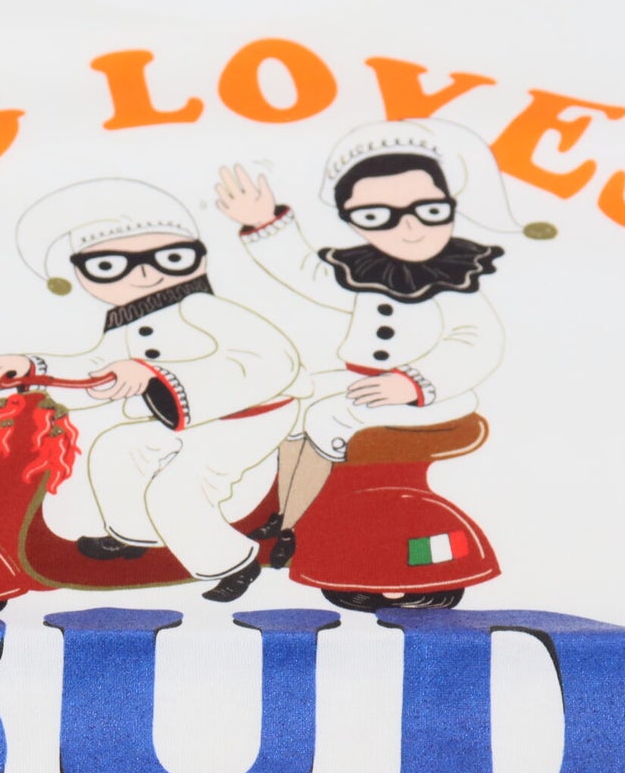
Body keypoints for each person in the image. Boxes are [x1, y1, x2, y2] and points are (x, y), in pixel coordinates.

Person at [0, 178, 308, 601]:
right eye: (110, 265)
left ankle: (230, 561)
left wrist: (156, 375)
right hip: (187, 417)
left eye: (172, 258)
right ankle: (136, 534)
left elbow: (272, 362)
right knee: (117, 449)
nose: (147, 274)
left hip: (250, 415)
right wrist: (33, 367)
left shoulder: (203, 307)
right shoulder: (128, 321)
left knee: (177, 487)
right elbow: (97, 368)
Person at [216, 120, 513, 568]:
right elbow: (307, 274)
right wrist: (264, 222)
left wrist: (412, 383)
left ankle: (297, 527)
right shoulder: (368, 270)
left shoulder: (456, 278)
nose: (409, 228)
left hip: (431, 396)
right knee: (293, 403)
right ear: (352, 219)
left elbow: (476, 343)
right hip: (364, 381)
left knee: (327, 417)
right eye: (377, 217)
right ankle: (281, 512)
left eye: (429, 211)